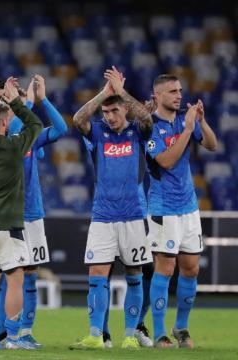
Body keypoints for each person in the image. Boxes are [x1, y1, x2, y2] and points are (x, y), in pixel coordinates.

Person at [0, 75, 69, 349]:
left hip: (30, 211)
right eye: (3, 96)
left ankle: (21, 332)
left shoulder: (16, 133)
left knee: (28, 275)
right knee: (1, 276)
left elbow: (60, 130)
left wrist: (41, 101)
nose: (8, 98)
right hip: (5, 215)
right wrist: (23, 104)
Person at [69, 67, 154, 350]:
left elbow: (147, 119)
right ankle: (96, 335)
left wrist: (122, 93)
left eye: (115, 111)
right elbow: (78, 118)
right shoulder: (97, 133)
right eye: (107, 112)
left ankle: (130, 334)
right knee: (96, 275)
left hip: (133, 214)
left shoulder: (136, 132)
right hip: (103, 216)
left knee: (134, 275)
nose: (110, 117)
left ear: (124, 110)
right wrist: (105, 93)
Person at [146, 74, 218, 348]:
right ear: (158, 96)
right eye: (172, 91)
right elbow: (164, 161)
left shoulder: (183, 120)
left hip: (189, 207)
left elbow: (212, 145)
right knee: (165, 268)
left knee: (191, 268)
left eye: (180, 90)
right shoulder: (149, 125)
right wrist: (187, 130)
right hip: (164, 207)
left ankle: (182, 327)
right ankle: (160, 331)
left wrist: (199, 121)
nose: (178, 95)